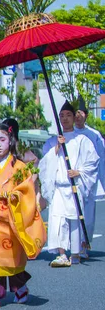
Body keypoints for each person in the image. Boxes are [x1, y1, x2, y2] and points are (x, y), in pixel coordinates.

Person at [0, 123, 46, 310]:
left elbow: (28, 191)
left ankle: (20, 287)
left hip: (10, 219)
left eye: (2, 139)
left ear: (11, 141)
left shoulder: (20, 166)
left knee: (11, 259)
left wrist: (15, 195)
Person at [39, 101, 99, 267]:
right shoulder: (53, 141)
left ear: (74, 117)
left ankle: (75, 252)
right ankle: (61, 253)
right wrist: (57, 148)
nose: (65, 119)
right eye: (62, 116)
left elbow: (92, 162)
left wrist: (79, 172)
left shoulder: (82, 140)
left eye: (68, 115)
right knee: (58, 219)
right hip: (59, 187)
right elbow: (45, 164)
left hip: (74, 186)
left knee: (74, 219)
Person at [74, 95, 105, 258]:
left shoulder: (94, 135)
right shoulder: (68, 134)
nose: (78, 117)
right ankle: (74, 246)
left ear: (86, 115)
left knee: (88, 216)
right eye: (75, 114)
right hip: (73, 178)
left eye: (81, 113)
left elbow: (101, 158)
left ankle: (85, 244)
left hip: (89, 180)